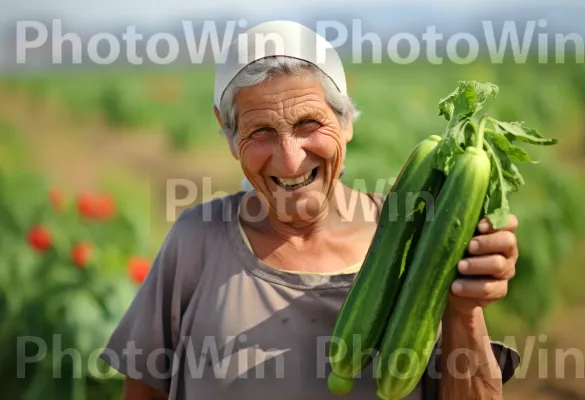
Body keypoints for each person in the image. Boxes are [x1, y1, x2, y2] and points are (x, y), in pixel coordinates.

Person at [99, 20, 521, 399]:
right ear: (229, 136)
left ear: (346, 121)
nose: (289, 160)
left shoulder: (418, 237)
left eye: (309, 124)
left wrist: (464, 310)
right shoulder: (195, 243)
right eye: (261, 131)